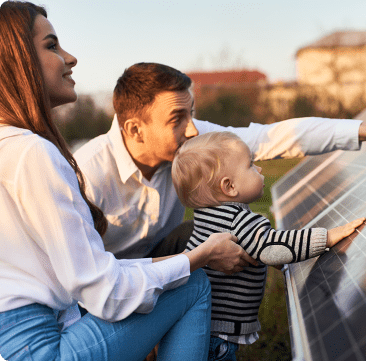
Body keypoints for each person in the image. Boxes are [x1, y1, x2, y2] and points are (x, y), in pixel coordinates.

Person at [0, 2, 257, 361]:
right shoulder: (34, 153)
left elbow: (86, 276)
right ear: (16, 60)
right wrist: (200, 257)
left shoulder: (8, 147)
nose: (70, 58)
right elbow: (103, 292)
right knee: (192, 285)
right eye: (52, 45)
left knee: (184, 266)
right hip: (43, 348)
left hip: (28, 337)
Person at [74, 62, 366, 263]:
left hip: (166, 264)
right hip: (105, 285)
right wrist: (197, 261)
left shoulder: (191, 142)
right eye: (177, 118)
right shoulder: (87, 176)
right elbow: (84, 277)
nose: (193, 128)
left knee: (219, 230)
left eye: (191, 113)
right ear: (135, 129)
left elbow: (276, 137)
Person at [171, 131, 366, 360]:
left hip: (202, 328)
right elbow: (273, 247)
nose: (260, 169)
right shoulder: (238, 220)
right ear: (230, 187)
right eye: (251, 165)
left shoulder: (206, 218)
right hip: (219, 338)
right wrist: (327, 237)